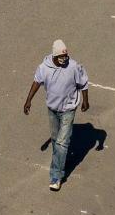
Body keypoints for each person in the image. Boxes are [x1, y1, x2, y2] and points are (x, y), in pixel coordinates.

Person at [23, 40, 89, 191]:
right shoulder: (43, 68)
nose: (64, 60)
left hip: (68, 109)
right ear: (54, 55)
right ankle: (60, 160)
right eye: (61, 58)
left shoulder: (73, 66)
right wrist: (28, 101)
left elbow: (83, 82)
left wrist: (85, 100)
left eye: (65, 57)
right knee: (55, 140)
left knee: (61, 143)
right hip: (52, 109)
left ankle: (56, 175)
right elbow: (36, 82)